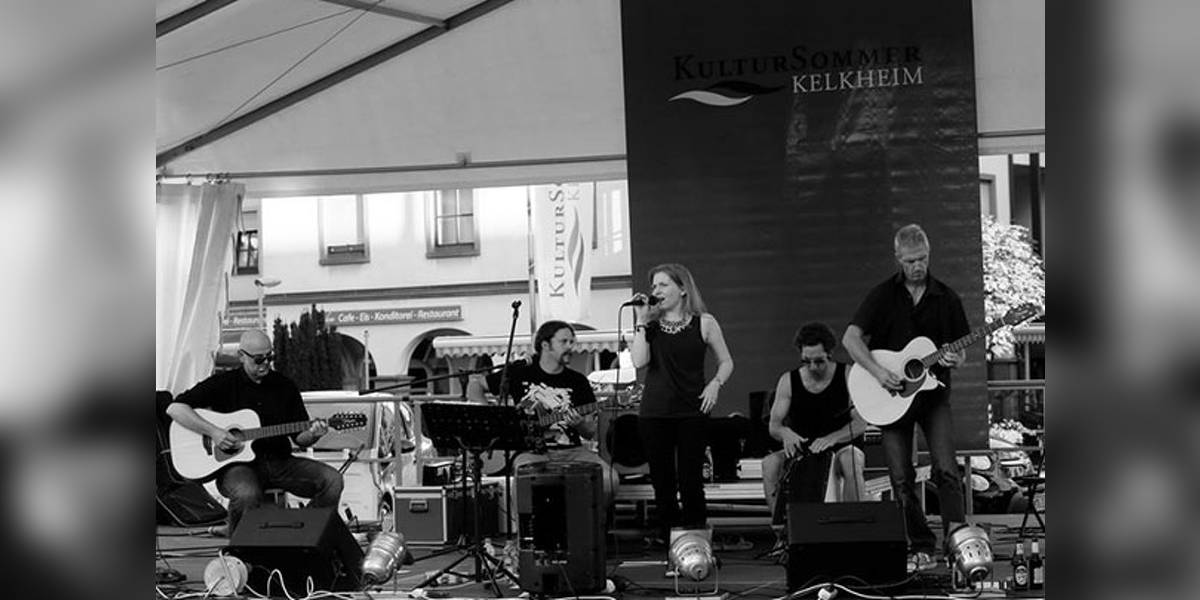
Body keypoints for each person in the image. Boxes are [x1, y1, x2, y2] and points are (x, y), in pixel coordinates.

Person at [842, 224, 969, 571]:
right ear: (898, 258)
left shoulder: (947, 298)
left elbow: (961, 351)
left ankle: (956, 540)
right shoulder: (882, 295)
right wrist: (878, 372)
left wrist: (956, 358)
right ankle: (920, 544)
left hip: (933, 397)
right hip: (892, 397)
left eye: (923, 259)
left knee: (946, 469)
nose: (918, 266)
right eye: (911, 260)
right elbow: (850, 339)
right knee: (900, 476)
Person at [165, 330, 343, 535]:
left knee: (332, 480)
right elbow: (175, 408)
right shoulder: (223, 383)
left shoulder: (285, 386)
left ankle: (305, 533)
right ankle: (239, 543)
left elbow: (300, 438)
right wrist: (214, 432)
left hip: (280, 462)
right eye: (258, 359)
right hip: (237, 467)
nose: (265, 364)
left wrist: (314, 434)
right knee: (246, 493)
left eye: (269, 357)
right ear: (241, 356)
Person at [630, 263, 734, 543]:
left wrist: (715, 384)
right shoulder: (650, 326)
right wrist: (641, 321)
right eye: (654, 286)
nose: (656, 290)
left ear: (683, 289)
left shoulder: (705, 323)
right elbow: (639, 361)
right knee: (662, 483)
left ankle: (696, 543)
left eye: (663, 284)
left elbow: (726, 361)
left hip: (691, 410)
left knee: (691, 480)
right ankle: (670, 544)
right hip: (655, 412)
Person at [762, 322, 868, 553]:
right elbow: (774, 426)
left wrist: (832, 438)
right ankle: (784, 534)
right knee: (769, 464)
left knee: (851, 460)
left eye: (819, 361)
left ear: (829, 354)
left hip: (841, 445)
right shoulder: (788, 381)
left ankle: (854, 531)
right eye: (806, 361)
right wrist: (786, 433)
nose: (812, 366)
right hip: (805, 447)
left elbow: (861, 423)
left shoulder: (847, 374)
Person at [509, 321, 619, 522]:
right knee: (523, 480)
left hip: (572, 451)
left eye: (572, 341)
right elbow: (476, 386)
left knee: (609, 480)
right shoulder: (519, 373)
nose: (571, 347)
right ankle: (526, 535)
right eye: (564, 342)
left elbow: (589, 432)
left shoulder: (578, 381)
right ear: (545, 345)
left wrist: (579, 424)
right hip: (531, 452)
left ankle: (585, 527)